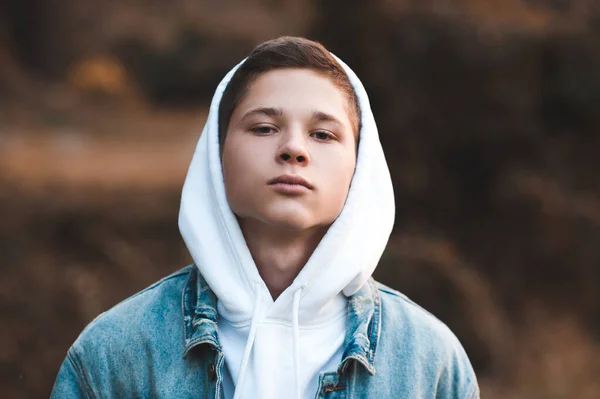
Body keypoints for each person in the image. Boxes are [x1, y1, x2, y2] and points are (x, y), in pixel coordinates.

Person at [51, 36, 479, 398]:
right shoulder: (115, 354)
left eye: (323, 134)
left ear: (360, 166)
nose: (294, 149)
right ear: (216, 157)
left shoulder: (430, 362)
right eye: (263, 128)